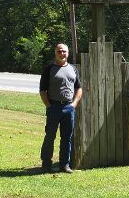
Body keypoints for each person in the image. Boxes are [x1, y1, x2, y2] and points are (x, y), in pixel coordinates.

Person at [39, 43, 83, 173]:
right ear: (55, 53)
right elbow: (42, 90)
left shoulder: (73, 69)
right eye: (59, 51)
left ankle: (65, 165)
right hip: (54, 107)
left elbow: (78, 88)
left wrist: (74, 104)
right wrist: (49, 105)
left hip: (69, 108)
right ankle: (46, 164)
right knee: (50, 136)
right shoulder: (49, 69)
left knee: (66, 138)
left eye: (64, 51)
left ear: (68, 53)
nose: (62, 54)